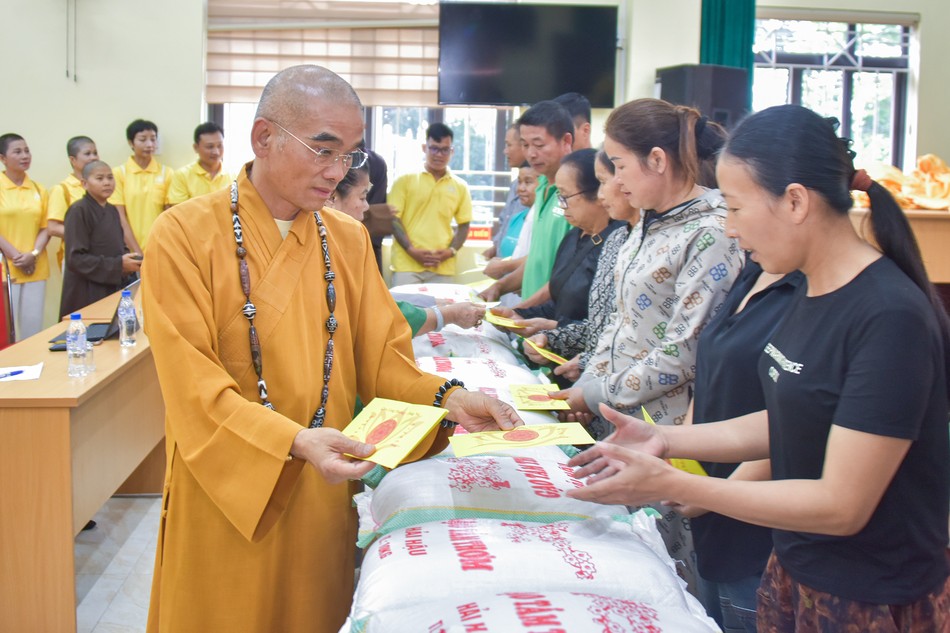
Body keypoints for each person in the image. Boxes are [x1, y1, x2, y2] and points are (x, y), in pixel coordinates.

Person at [140, 65, 520, 633]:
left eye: (351, 155)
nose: (337, 171)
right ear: (263, 138)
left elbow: (386, 362)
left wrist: (451, 398)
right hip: (229, 482)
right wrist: (290, 439)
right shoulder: (183, 235)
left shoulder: (344, 238)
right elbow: (191, 385)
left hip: (324, 481)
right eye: (323, 150)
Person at [568, 104, 950, 632]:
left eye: (735, 208)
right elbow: (792, 420)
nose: (729, 227)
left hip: (867, 595)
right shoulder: (811, 290)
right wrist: (669, 441)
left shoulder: (888, 315)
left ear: (794, 201)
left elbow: (843, 504)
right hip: (797, 571)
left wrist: (686, 487)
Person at [552, 99, 739, 594]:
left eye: (618, 165)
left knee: (672, 576)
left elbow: (685, 350)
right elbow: (616, 325)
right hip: (619, 418)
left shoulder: (711, 231)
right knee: (625, 568)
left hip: (674, 430)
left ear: (657, 160)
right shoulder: (644, 224)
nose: (613, 182)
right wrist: (592, 384)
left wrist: (595, 394)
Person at [523, 150, 639, 404]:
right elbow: (593, 320)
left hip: (617, 390)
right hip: (585, 380)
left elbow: (627, 331)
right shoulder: (588, 237)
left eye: (565, 197)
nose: (601, 193)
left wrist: (555, 333)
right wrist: (527, 320)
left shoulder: (621, 240)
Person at [327, 161, 484, 336]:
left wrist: (433, 303)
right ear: (332, 198)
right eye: (363, 198)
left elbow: (379, 298)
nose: (367, 207)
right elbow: (374, 310)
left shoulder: (347, 241)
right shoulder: (331, 247)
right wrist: (445, 315)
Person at [489, 149, 623, 340]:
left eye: (565, 196)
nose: (561, 205)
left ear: (597, 194)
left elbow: (608, 327)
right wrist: (520, 315)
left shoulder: (617, 243)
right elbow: (559, 301)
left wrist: (555, 329)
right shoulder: (573, 236)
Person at [480, 101, 574, 301]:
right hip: (530, 315)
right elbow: (537, 261)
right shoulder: (541, 190)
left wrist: (523, 311)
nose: (531, 154)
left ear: (566, 142)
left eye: (539, 145)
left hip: (553, 319)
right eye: (525, 145)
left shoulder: (575, 196)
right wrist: (500, 287)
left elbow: (567, 274)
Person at [389, 122, 473, 285]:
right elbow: (393, 219)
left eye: (444, 150)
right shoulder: (404, 180)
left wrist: (450, 252)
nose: (439, 155)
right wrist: (412, 251)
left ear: (452, 151)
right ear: (424, 148)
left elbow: (464, 224)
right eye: (434, 148)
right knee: (404, 311)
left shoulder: (460, 186)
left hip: (443, 268)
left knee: (444, 312)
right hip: (407, 267)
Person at [60, 160, 142, 317]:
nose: (107, 183)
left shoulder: (112, 210)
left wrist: (129, 262)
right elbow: (76, 259)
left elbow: (120, 247)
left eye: (110, 178)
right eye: (100, 178)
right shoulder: (78, 211)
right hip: (86, 290)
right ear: (84, 183)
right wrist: (118, 265)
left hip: (113, 285)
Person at [0, 133, 50, 339]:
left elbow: (47, 227)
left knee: (32, 330)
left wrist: (33, 253)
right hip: (5, 269)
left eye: (27, 150)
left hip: (35, 266)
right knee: (7, 331)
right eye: (17, 151)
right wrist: (15, 256)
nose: (25, 156)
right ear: (3, 158)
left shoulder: (39, 189)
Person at [110, 118, 171, 253]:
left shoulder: (167, 173)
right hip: (127, 251)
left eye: (153, 139)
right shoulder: (118, 173)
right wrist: (137, 253)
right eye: (142, 140)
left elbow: (169, 215)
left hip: (159, 247)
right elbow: (120, 217)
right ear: (131, 143)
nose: (149, 144)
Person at [47, 135, 99, 268]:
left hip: (101, 258)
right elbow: (53, 228)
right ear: (73, 160)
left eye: (95, 153)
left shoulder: (101, 187)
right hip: (76, 259)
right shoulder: (62, 189)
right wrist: (85, 234)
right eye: (87, 154)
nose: (93, 157)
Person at [483, 123, 528, 260]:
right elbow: (505, 221)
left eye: (509, 145)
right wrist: (496, 248)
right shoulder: (514, 185)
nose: (505, 151)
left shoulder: (537, 188)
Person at [166, 122, 232, 205]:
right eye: (210, 146)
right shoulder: (182, 176)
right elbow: (177, 211)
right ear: (196, 148)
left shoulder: (233, 177)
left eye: (219, 146)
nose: (216, 152)